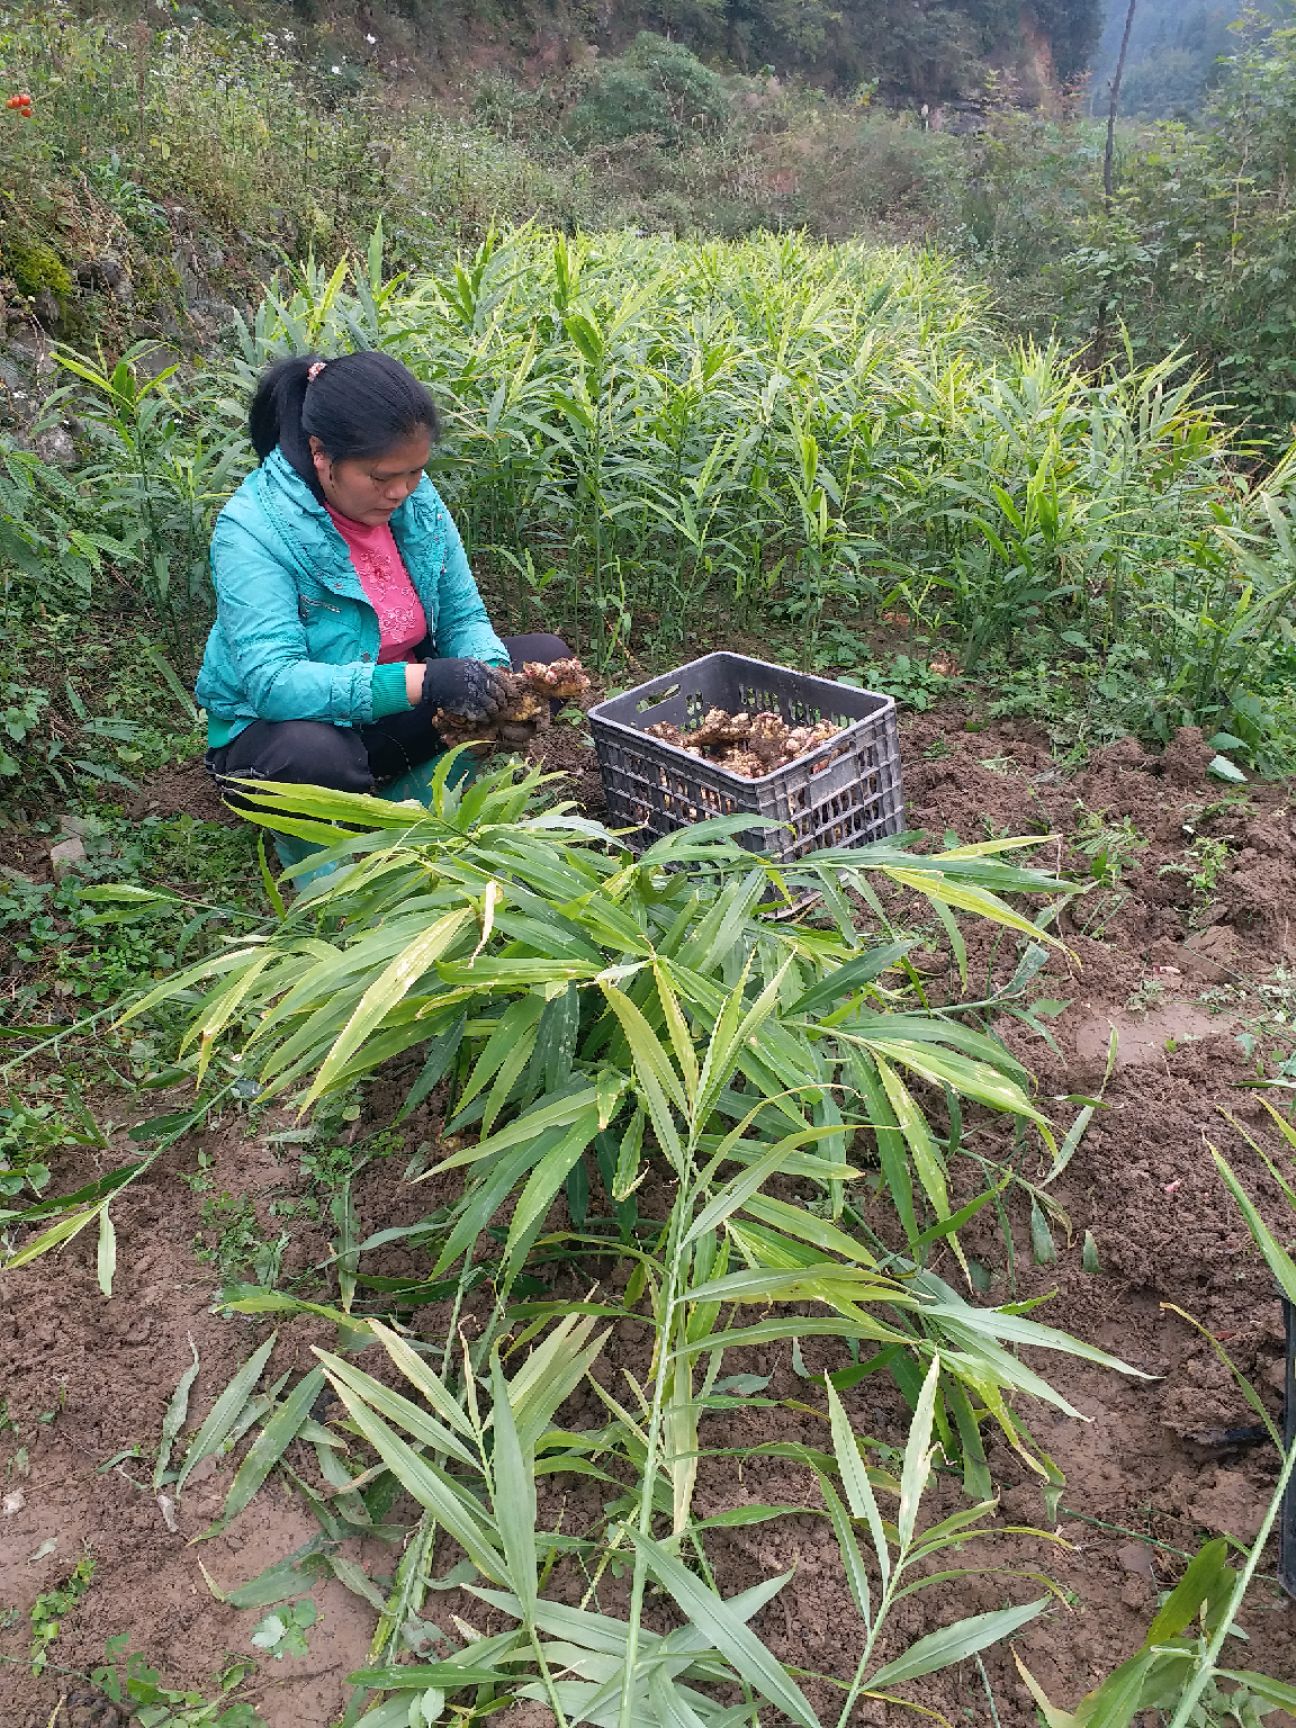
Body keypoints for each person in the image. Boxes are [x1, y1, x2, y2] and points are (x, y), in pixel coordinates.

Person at [196, 350, 567, 802]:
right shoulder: (254, 527)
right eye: (380, 477)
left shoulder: (416, 501)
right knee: (312, 754)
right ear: (320, 453)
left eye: (415, 472)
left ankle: (411, 804)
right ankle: (324, 834)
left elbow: (462, 616)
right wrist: (425, 682)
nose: (400, 492)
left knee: (541, 667)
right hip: (287, 732)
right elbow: (275, 683)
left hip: (389, 717)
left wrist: (487, 678)